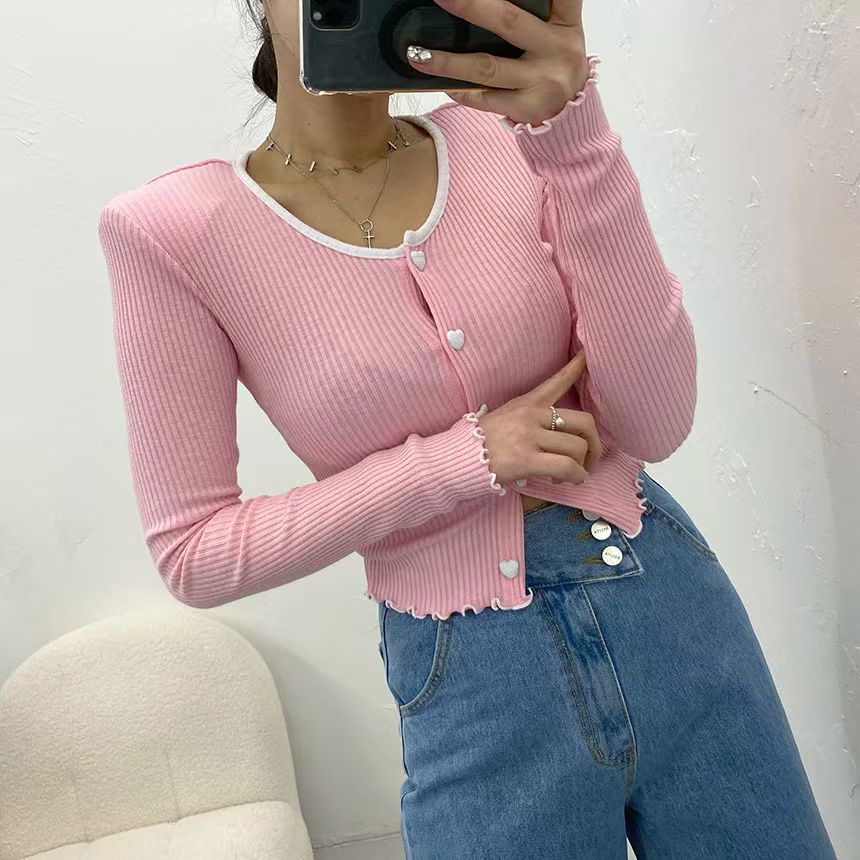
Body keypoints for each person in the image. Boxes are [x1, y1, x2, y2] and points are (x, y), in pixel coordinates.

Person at [96, 0, 837, 856]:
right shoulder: (173, 232)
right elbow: (195, 552)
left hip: (663, 598)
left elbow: (657, 420)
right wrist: (463, 460)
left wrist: (573, 130)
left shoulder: (503, 134)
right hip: (473, 674)